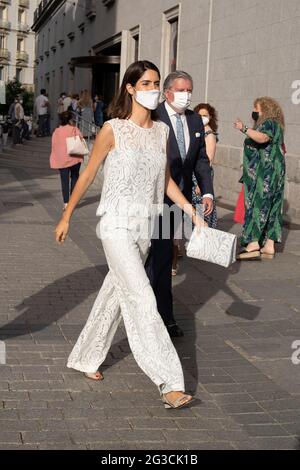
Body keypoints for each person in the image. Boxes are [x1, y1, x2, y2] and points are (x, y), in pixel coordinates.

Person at [54, 60, 205, 409]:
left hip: (145, 228)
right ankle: (169, 382)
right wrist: (65, 216)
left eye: (156, 83)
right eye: (147, 83)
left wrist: (192, 210)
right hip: (115, 225)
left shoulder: (161, 132)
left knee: (114, 293)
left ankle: (85, 357)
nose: (153, 89)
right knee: (141, 297)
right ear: (131, 88)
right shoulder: (113, 129)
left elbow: (166, 181)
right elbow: (89, 174)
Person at [145, 71, 214, 337]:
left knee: (163, 258)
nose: (187, 95)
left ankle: (163, 316)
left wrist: (207, 193)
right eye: (182, 90)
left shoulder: (196, 119)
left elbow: (200, 161)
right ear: (167, 92)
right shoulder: (153, 116)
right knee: (154, 259)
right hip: (151, 200)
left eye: (190, 90)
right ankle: (154, 315)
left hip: (178, 201)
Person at [234, 97, 286, 260]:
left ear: (265, 109)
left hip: (265, 173)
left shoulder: (269, 123)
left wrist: (244, 129)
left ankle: (253, 243)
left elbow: (263, 138)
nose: (254, 111)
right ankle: (269, 245)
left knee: (258, 204)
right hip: (274, 172)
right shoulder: (277, 125)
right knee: (273, 207)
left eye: (256, 108)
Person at [50, 111, 84, 211]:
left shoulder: (57, 131)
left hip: (62, 160)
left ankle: (66, 203)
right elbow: (81, 138)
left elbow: (54, 145)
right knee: (74, 178)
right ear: (70, 119)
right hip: (74, 158)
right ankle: (73, 201)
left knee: (64, 181)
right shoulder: (74, 129)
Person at [192, 103, 218, 228]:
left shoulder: (209, 134)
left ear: (210, 117)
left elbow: (209, 159)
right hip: (194, 173)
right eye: (199, 115)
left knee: (201, 205)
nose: (202, 117)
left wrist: (200, 182)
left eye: (205, 115)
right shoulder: (198, 131)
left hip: (201, 175)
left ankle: (203, 232)